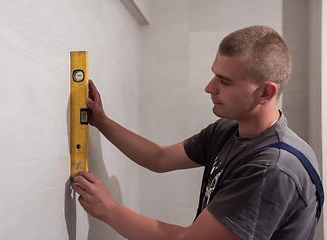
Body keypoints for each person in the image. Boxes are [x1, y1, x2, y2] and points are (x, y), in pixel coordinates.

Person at [73, 26, 322, 240]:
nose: (209, 88)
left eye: (224, 81)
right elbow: (159, 158)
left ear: (265, 93)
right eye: (214, 74)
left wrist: (109, 211)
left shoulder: (274, 169)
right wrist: (102, 122)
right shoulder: (227, 130)